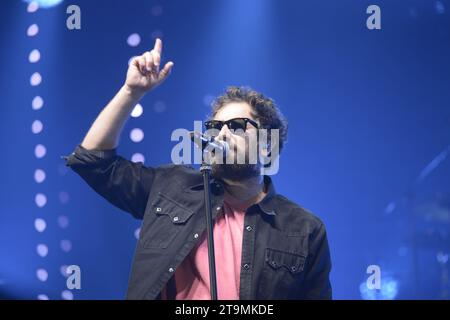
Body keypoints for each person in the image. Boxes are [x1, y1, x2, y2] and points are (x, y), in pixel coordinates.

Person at [65, 38, 332, 300]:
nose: (222, 135)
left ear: (266, 146)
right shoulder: (171, 186)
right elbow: (93, 162)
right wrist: (130, 93)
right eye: (215, 128)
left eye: (237, 126)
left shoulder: (304, 229)